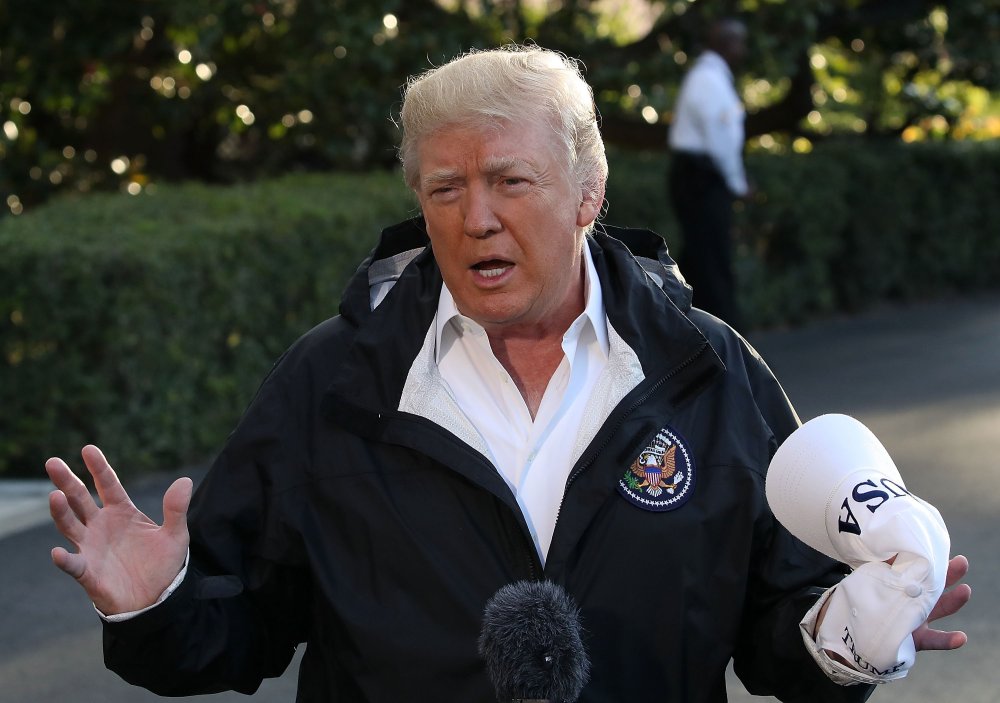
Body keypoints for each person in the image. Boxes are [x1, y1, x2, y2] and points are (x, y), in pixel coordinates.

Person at [46, 45, 969, 702]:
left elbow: (781, 635)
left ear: (588, 194)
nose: (474, 217)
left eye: (510, 180)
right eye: (445, 188)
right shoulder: (335, 380)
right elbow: (232, 630)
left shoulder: (708, 370)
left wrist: (847, 636)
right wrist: (155, 606)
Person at [668, 17, 751, 327]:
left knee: (700, 257)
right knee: (711, 260)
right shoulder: (709, 79)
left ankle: (694, 330)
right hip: (701, 177)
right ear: (727, 43)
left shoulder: (709, 76)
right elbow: (722, 139)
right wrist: (737, 182)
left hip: (696, 175)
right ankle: (724, 334)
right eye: (740, 43)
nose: (743, 51)